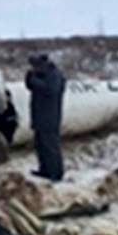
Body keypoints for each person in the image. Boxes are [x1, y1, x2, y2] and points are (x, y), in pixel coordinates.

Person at [26, 53, 66, 181]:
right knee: (40, 145)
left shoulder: (54, 74)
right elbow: (31, 87)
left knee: (51, 146)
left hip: (49, 118)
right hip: (39, 116)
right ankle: (45, 170)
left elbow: (51, 90)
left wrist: (34, 80)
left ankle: (56, 173)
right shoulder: (42, 74)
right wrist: (29, 79)